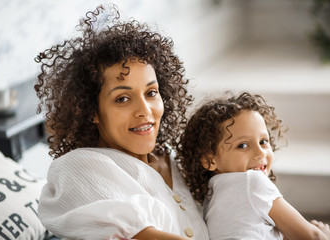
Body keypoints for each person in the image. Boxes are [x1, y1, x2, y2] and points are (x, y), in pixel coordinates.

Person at [34, 4, 208, 240]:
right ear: (91, 111)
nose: (144, 111)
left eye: (151, 93)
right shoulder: (78, 166)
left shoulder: (175, 161)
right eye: (122, 98)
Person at [177, 92, 330, 239]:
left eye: (263, 141)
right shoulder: (253, 182)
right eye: (243, 145)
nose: (260, 153)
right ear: (209, 160)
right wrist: (325, 234)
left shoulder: (211, 198)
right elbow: (312, 237)